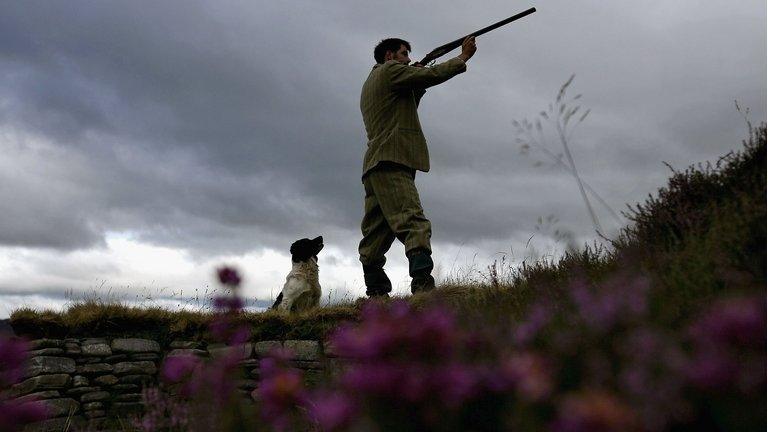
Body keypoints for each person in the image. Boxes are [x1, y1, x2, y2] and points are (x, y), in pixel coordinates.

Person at [358, 36, 477, 297]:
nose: (408, 60)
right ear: (389, 56)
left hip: (375, 165)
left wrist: (417, 78)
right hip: (393, 160)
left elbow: (404, 105)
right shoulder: (389, 70)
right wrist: (462, 57)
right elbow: (433, 75)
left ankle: (376, 293)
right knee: (413, 221)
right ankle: (423, 286)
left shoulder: (371, 82)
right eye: (403, 55)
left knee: (376, 234)